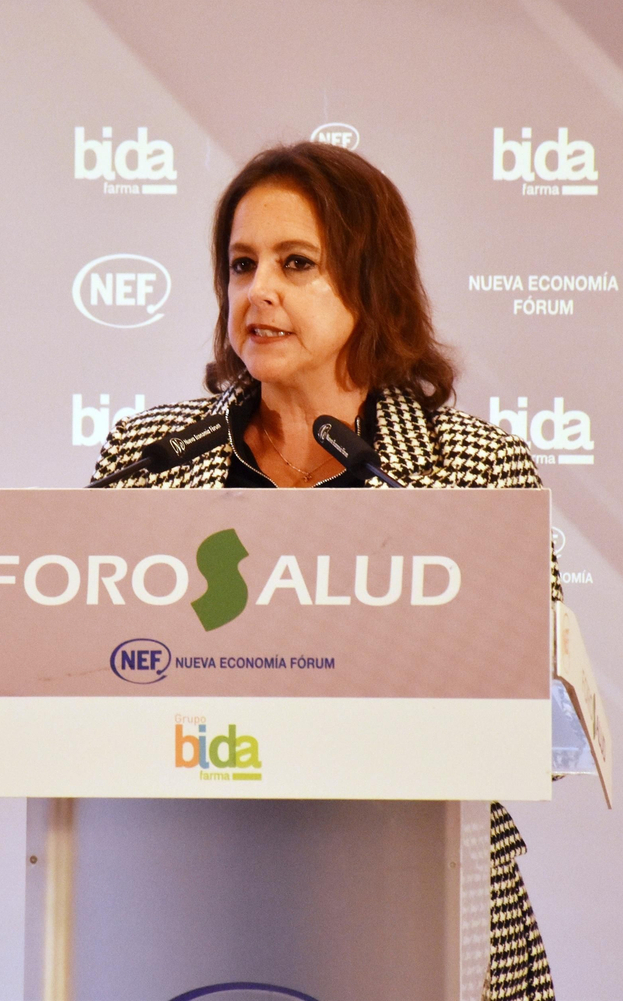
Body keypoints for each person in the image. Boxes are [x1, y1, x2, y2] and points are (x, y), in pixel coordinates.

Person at [90, 141, 560, 1001]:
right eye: (240, 266)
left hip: (415, 898)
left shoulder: (474, 471)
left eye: (295, 263)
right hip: (194, 903)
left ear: (370, 286)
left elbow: (545, 723)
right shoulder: (147, 459)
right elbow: (84, 680)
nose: (256, 291)